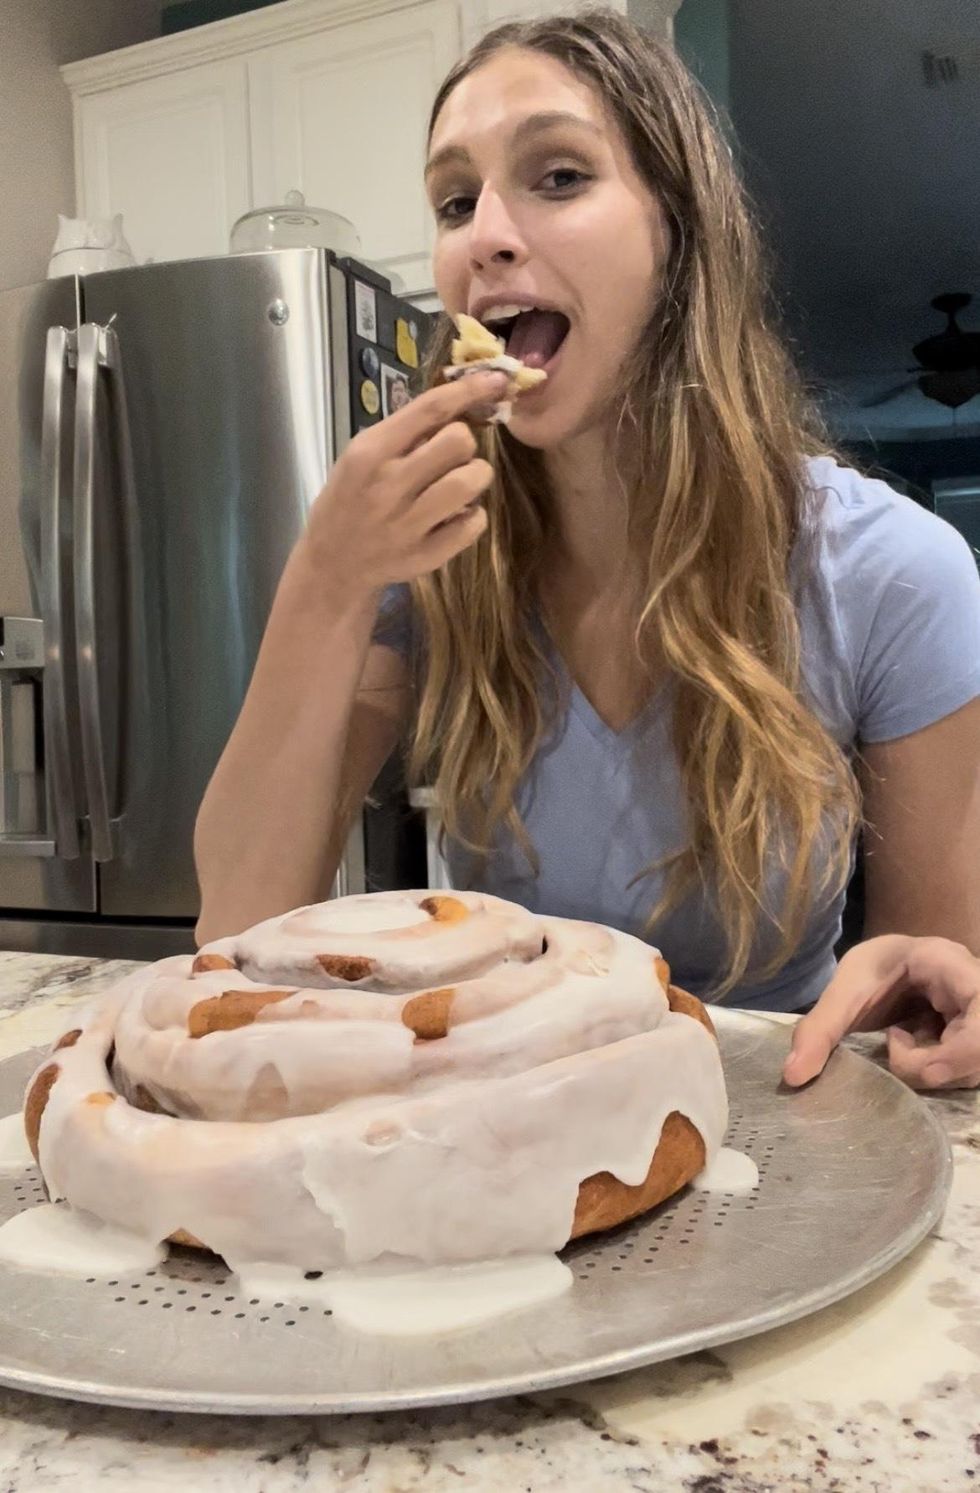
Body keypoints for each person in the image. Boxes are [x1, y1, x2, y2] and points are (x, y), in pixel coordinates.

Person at [194, 11, 980, 1090]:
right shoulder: (431, 567)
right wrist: (324, 578)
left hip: (772, 1131)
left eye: (558, 177)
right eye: (455, 201)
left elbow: (927, 1006)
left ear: (677, 235)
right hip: (496, 1123)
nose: (485, 237)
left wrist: (937, 993)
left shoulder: (892, 572)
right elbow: (229, 925)